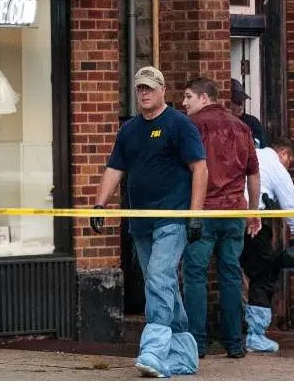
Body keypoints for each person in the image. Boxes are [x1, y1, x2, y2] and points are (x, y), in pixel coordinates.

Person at [91, 66, 208, 379]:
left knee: (158, 276)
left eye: (149, 88)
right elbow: (115, 168)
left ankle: (154, 350)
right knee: (162, 282)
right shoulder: (129, 130)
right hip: (140, 221)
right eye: (139, 88)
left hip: (172, 217)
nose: (144, 93)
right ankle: (183, 355)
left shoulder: (179, 124)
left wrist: (194, 215)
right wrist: (100, 203)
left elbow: (200, 168)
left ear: (162, 90)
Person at [181, 77, 261, 360]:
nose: (184, 102)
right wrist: (253, 210)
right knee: (230, 276)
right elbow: (253, 171)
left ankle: (197, 344)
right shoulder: (242, 127)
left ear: (205, 98)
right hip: (234, 211)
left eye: (189, 96)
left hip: (202, 211)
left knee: (195, 276)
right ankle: (235, 342)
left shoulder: (192, 126)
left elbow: (187, 170)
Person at [241, 137, 294, 353]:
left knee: (233, 273)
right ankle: (255, 335)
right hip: (253, 221)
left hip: (227, 213)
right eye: (291, 161)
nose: (289, 166)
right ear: (284, 153)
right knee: (263, 274)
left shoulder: (253, 155)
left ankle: (233, 332)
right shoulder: (275, 166)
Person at [230, 78, 267, 148]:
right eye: (237, 102)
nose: (241, 106)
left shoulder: (252, 122)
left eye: (242, 101)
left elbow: (262, 146)